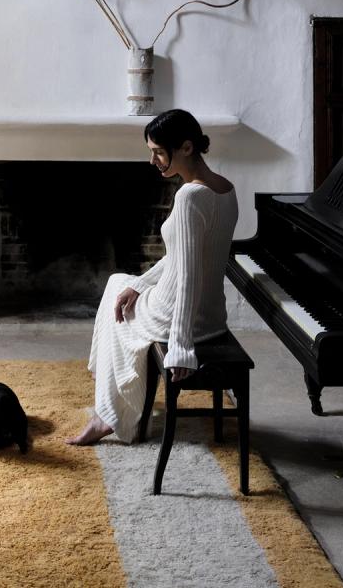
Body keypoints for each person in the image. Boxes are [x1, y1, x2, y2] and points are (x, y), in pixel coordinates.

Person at [66, 109, 238, 446]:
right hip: (213, 315)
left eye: (159, 152)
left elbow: (186, 278)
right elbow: (184, 258)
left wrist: (181, 349)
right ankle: (106, 396)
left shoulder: (189, 197)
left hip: (178, 314)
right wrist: (140, 284)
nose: (153, 160)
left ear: (186, 147)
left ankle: (109, 414)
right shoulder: (226, 188)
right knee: (121, 283)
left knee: (115, 294)